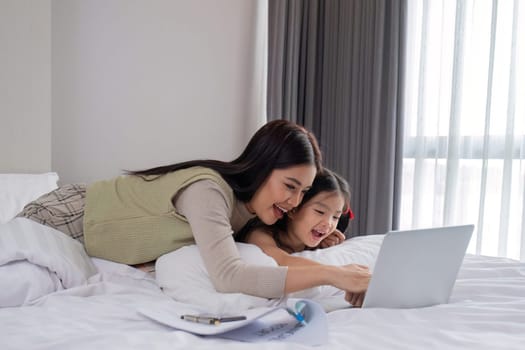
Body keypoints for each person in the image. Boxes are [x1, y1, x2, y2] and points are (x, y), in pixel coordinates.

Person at [17, 119, 370, 299]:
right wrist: (332, 275)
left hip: (86, 241)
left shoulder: (247, 214)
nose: (294, 202)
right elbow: (230, 276)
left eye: (303, 192)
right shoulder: (208, 190)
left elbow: (270, 254)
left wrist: (322, 249)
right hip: (66, 217)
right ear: (261, 167)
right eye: (290, 187)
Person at [236, 168, 369, 306]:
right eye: (320, 211)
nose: (328, 224)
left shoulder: (316, 240)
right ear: (293, 209)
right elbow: (282, 261)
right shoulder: (260, 235)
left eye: (335, 217)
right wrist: (338, 275)